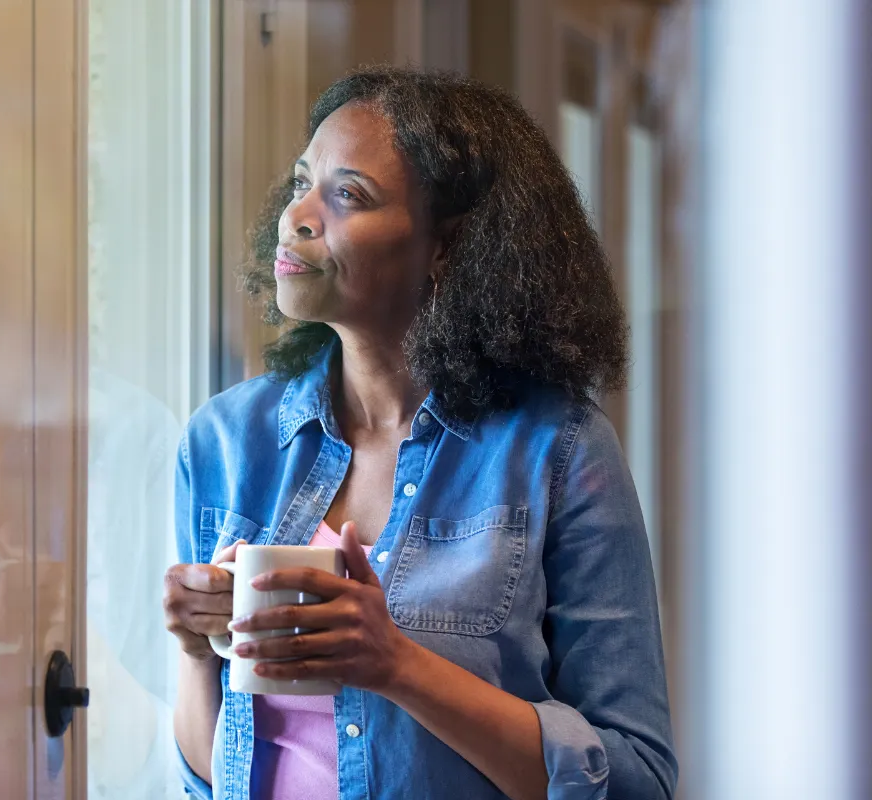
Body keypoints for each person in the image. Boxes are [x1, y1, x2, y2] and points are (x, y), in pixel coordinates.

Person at [163, 67, 676, 800]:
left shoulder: (558, 451)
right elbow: (211, 779)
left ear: (447, 246)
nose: (296, 215)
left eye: (347, 194)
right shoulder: (223, 442)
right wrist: (195, 652)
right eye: (302, 182)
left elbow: (636, 778)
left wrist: (396, 665)